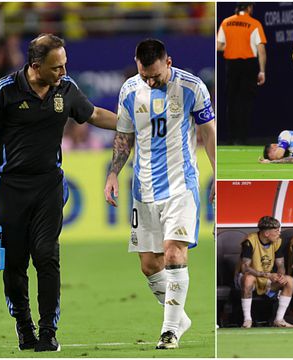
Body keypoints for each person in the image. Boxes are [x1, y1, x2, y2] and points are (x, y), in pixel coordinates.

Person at [0, 33, 117, 352]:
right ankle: (24, 327)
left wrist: (132, 124)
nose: (63, 73)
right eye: (57, 68)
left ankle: (47, 330)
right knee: (14, 262)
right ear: (36, 66)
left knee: (46, 255)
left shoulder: (66, 89)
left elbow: (92, 114)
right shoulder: (5, 91)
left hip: (48, 185)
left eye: (65, 65)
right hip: (8, 187)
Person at [104, 39, 215, 350]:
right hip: (143, 188)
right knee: (149, 265)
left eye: (155, 75)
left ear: (169, 62)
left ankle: (170, 331)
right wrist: (113, 173)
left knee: (173, 253)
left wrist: (217, 174)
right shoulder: (129, 90)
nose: (150, 81)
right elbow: (124, 136)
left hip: (181, 185)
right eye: (144, 75)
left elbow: (208, 132)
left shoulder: (192, 87)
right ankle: (179, 316)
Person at [217, 2, 267, 145]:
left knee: (231, 101)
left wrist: (232, 46)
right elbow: (261, 50)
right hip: (249, 65)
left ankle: (232, 137)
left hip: (231, 65)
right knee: (246, 101)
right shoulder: (254, 24)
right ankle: (242, 138)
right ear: (249, 7)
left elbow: (218, 45)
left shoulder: (226, 22)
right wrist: (262, 71)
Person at [236, 216, 293, 329]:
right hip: (247, 278)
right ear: (267, 233)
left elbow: (280, 264)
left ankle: (279, 319)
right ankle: (247, 320)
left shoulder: (277, 242)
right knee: (248, 278)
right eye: (276, 230)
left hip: (266, 279)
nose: (279, 233)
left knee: (289, 281)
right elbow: (245, 268)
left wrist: (280, 275)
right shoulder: (249, 241)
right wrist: (267, 275)